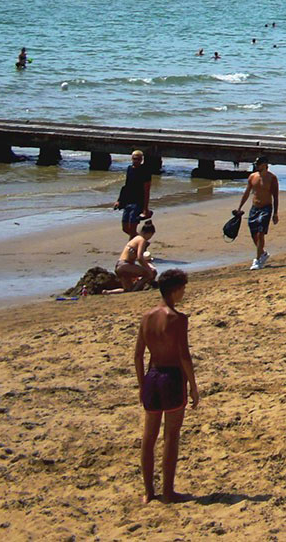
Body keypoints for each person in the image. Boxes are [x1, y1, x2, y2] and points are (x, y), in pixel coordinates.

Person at [134, 268, 197, 502]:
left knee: (149, 438)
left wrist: (142, 384)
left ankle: (149, 492)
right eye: (182, 289)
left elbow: (138, 355)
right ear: (174, 290)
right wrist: (194, 386)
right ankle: (168, 491)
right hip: (171, 378)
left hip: (152, 376)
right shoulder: (177, 319)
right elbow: (184, 356)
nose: (184, 293)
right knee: (171, 436)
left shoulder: (146, 317)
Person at [242, 158, 280, 270]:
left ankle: (257, 260)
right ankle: (263, 253)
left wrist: (275, 213)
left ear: (265, 165)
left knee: (260, 233)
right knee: (254, 234)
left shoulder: (272, 178)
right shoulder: (252, 177)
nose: (257, 166)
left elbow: (275, 196)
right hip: (254, 208)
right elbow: (246, 193)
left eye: (258, 164)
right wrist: (239, 207)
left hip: (266, 208)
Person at [116, 151, 154, 237]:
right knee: (125, 228)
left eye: (138, 159)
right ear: (131, 158)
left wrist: (145, 209)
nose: (136, 161)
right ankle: (142, 242)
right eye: (134, 159)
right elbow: (126, 186)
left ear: (141, 160)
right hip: (127, 202)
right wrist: (119, 200)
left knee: (132, 229)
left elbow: (147, 191)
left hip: (138, 203)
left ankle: (135, 248)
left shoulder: (145, 171)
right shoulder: (129, 169)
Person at [117, 220, 159, 291]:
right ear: (149, 233)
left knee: (127, 289)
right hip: (125, 266)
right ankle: (135, 291)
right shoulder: (141, 240)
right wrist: (148, 270)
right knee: (149, 273)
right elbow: (140, 257)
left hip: (119, 265)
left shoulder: (135, 238)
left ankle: (107, 292)